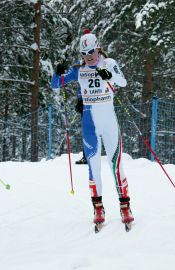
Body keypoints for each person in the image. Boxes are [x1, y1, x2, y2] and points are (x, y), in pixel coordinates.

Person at [51, 29, 134, 227]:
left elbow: (122, 82)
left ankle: (125, 206)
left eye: (91, 52)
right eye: (84, 54)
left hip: (109, 122)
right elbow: (56, 84)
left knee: (116, 165)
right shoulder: (79, 70)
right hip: (89, 123)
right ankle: (98, 208)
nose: (88, 57)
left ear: (98, 49)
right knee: (94, 167)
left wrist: (105, 72)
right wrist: (58, 70)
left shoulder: (109, 63)